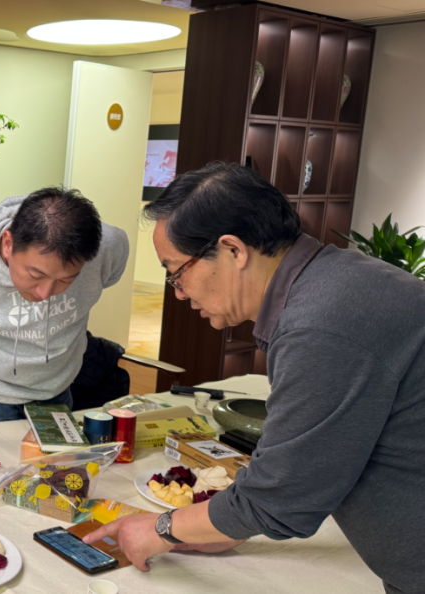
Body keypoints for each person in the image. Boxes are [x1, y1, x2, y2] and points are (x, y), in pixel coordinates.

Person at [85, 162, 425, 594]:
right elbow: (314, 463)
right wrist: (224, 525)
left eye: (176, 272)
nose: (179, 293)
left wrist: (162, 528)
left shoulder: (321, 325)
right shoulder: (338, 282)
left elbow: (283, 496)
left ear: (233, 250)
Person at [0, 188, 129, 426]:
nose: (45, 294)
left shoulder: (108, 248)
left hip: (60, 386)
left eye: (66, 280)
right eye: (36, 275)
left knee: (55, 452)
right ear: (8, 244)